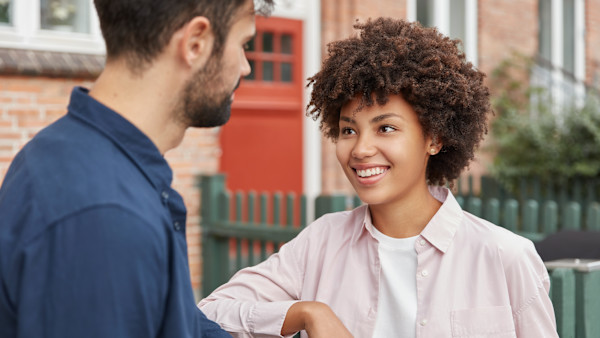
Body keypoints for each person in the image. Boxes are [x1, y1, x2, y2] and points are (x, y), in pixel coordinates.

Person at [198, 18, 558, 337]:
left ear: (434, 138)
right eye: (348, 130)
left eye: (385, 128)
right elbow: (210, 313)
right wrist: (306, 313)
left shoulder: (505, 256)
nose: (360, 150)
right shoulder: (321, 243)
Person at [0, 0, 274, 337]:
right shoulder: (105, 218)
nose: (245, 67)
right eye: (243, 44)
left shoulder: (67, 152)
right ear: (195, 43)